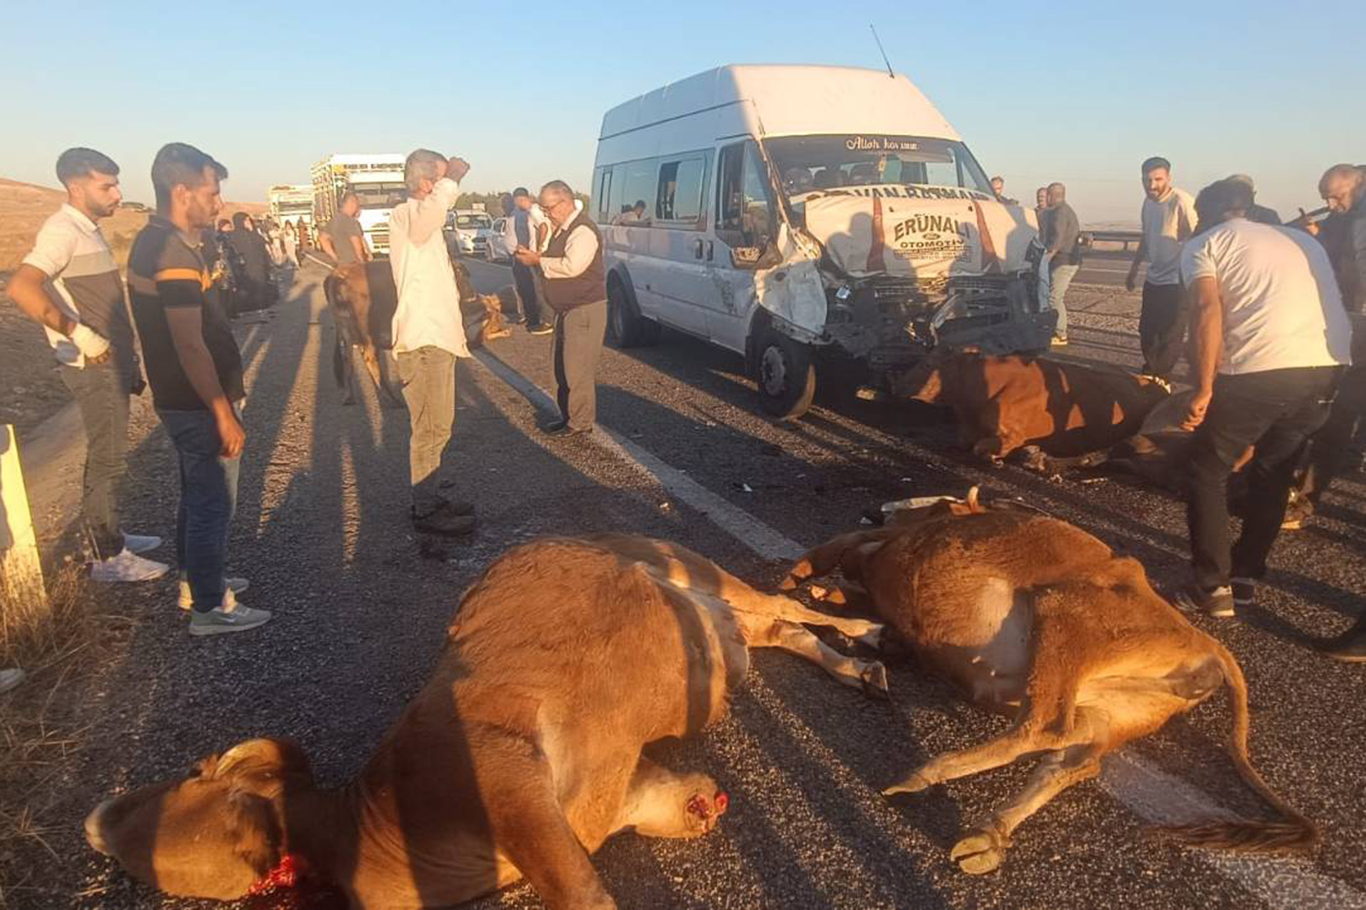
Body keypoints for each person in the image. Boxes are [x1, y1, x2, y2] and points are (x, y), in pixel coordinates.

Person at [1173, 178, 1351, 618]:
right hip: (1327, 369)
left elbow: (1206, 312)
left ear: (1207, 214)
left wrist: (1203, 387)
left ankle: (1211, 586)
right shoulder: (1298, 239)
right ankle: (1246, 574)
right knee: (1275, 470)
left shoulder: (1206, 244)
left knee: (1206, 469)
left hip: (1262, 370)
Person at [6, 148, 168, 583]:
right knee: (107, 459)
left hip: (109, 362)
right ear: (76, 188)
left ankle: (110, 533)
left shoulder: (88, 229)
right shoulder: (62, 231)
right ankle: (106, 556)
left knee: (110, 454)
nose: (118, 193)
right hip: (92, 366)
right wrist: (80, 335)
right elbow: (23, 287)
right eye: (107, 186)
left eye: (116, 184)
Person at [128, 143, 269, 635]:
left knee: (196, 495)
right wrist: (222, 412)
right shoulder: (170, 252)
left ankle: (198, 582)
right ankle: (212, 608)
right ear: (181, 191)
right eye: (212, 192)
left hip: (185, 398)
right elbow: (189, 344)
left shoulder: (161, 241)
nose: (220, 203)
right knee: (213, 501)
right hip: (197, 400)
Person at [1293, 164, 1366, 661]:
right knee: (1339, 415)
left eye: (1332, 194)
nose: (1328, 200)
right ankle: (1310, 496)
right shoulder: (1347, 217)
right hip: (1358, 322)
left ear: (1354, 181)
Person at [389, 148, 477, 537]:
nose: (448, 187)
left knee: (437, 427)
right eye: (440, 180)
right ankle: (425, 511)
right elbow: (423, 227)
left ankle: (429, 497)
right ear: (428, 184)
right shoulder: (409, 215)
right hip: (424, 341)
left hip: (434, 338)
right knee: (431, 429)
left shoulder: (422, 217)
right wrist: (452, 178)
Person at [514, 180, 606, 439]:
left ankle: (580, 421)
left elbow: (572, 266)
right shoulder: (561, 228)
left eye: (548, 207)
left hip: (584, 308)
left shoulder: (583, 231)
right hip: (566, 309)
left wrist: (538, 261)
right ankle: (568, 415)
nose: (546, 213)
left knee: (577, 370)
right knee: (559, 369)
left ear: (565, 202)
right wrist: (536, 257)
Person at [1126, 157, 1198, 381]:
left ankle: (1161, 376)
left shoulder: (1182, 201)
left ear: (1169, 178)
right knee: (1147, 330)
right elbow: (1146, 238)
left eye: (1158, 179)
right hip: (1155, 276)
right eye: (1147, 180)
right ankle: (1151, 369)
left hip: (1178, 280)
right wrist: (1134, 269)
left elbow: (1199, 236)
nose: (1152, 185)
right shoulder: (1147, 203)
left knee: (1170, 332)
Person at [1042, 182, 1081, 345]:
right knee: (1054, 296)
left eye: (1046, 196)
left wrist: (1046, 259)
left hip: (1064, 261)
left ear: (1051, 196)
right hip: (1064, 260)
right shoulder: (1063, 210)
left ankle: (1060, 334)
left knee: (1054, 297)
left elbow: (1057, 239)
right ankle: (1055, 330)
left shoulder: (1060, 212)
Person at [511, 186, 552, 335]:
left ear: (520, 199)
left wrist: (540, 248)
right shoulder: (533, 211)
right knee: (539, 286)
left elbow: (543, 227)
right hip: (535, 252)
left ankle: (547, 321)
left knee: (540, 287)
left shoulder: (534, 211)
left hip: (539, 254)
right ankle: (545, 319)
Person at [227, 212, 275, 312]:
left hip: (258, 263)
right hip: (245, 266)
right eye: (245, 220)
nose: (248, 222)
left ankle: (262, 303)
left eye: (249, 220)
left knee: (261, 283)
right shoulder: (234, 235)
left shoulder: (252, 233)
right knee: (249, 285)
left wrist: (252, 231)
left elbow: (261, 243)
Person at [319, 191, 370, 265]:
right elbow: (355, 242)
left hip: (340, 265)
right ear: (352, 203)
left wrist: (334, 256)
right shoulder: (351, 222)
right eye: (357, 205)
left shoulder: (334, 220)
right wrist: (361, 260)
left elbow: (322, 238)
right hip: (353, 263)